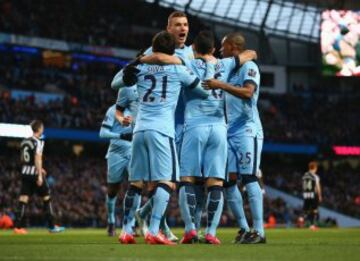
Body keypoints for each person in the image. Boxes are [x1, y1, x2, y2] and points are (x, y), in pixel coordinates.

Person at [114, 31, 213, 245]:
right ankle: (153, 230)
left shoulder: (140, 67)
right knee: (167, 181)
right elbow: (205, 91)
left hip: (139, 130)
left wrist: (139, 59)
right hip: (163, 130)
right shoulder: (178, 68)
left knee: (136, 183)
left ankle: (126, 231)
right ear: (172, 51)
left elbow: (115, 84)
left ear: (153, 48)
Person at [203, 32, 265, 244]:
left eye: (223, 46)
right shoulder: (227, 69)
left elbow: (248, 93)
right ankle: (244, 228)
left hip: (247, 129)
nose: (220, 50)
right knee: (228, 182)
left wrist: (222, 86)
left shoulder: (249, 68)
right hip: (227, 131)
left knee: (249, 178)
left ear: (232, 46)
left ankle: (259, 231)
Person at [13, 120, 65, 234]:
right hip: (35, 174)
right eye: (42, 128)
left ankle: (17, 227)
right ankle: (52, 226)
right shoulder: (38, 142)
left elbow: (24, 158)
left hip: (25, 172)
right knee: (47, 197)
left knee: (23, 199)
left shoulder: (24, 142)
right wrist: (40, 174)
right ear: (40, 129)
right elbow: (37, 158)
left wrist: (36, 168)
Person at [99, 87, 137, 237]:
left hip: (134, 151)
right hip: (116, 153)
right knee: (112, 191)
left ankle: (131, 224)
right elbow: (102, 133)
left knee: (136, 186)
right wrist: (122, 136)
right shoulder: (112, 110)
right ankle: (111, 221)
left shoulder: (139, 110)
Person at [302, 161, 322, 230]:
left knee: (306, 209)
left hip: (306, 194)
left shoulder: (305, 175)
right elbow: (317, 187)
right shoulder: (315, 176)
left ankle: (302, 219)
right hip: (313, 194)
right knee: (314, 210)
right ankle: (312, 225)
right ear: (315, 168)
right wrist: (319, 195)